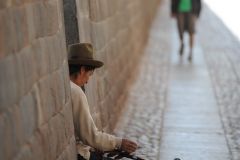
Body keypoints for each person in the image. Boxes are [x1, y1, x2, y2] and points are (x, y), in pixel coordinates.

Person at [68, 43, 138, 160]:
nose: (87, 81)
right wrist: (119, 143)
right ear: (82, 70)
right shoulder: (76, 92)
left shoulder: (65, 86)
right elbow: (90, 136)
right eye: (89, 74)